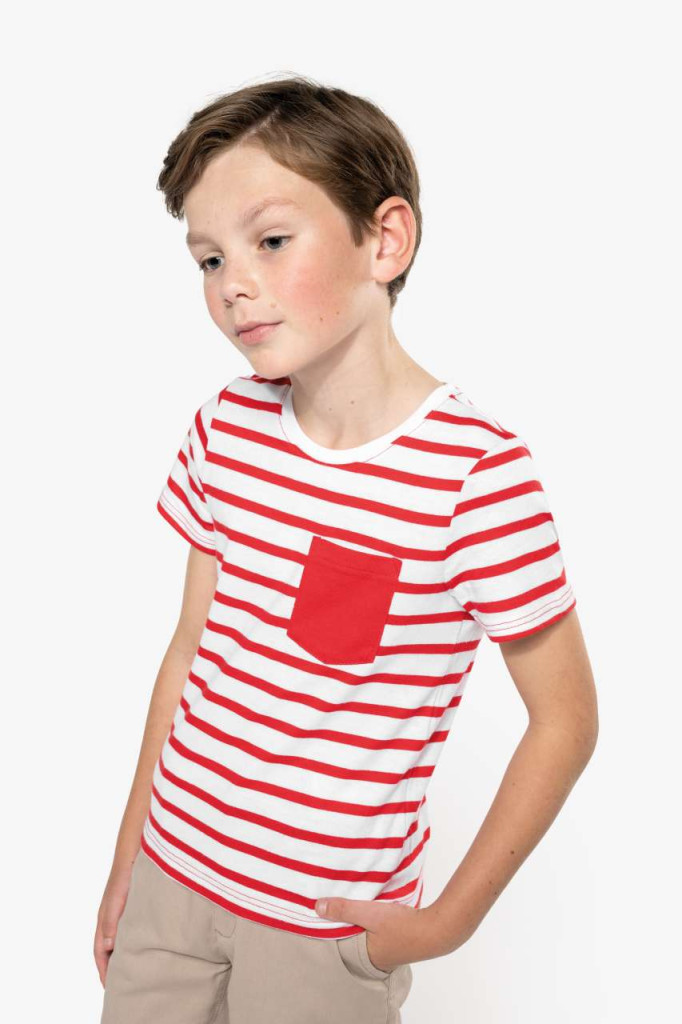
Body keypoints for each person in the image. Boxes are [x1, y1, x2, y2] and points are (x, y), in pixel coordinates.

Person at [95, 75, 598, 1024]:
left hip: (320, 931)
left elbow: (565, 719)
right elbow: (189, 650)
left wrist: (444, 924)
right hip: (171, 882)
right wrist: (129, 859)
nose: (231, 283)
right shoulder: (225, 428)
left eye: (270, 241)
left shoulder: (476, 475)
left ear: (386, 240)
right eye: (209, 258)